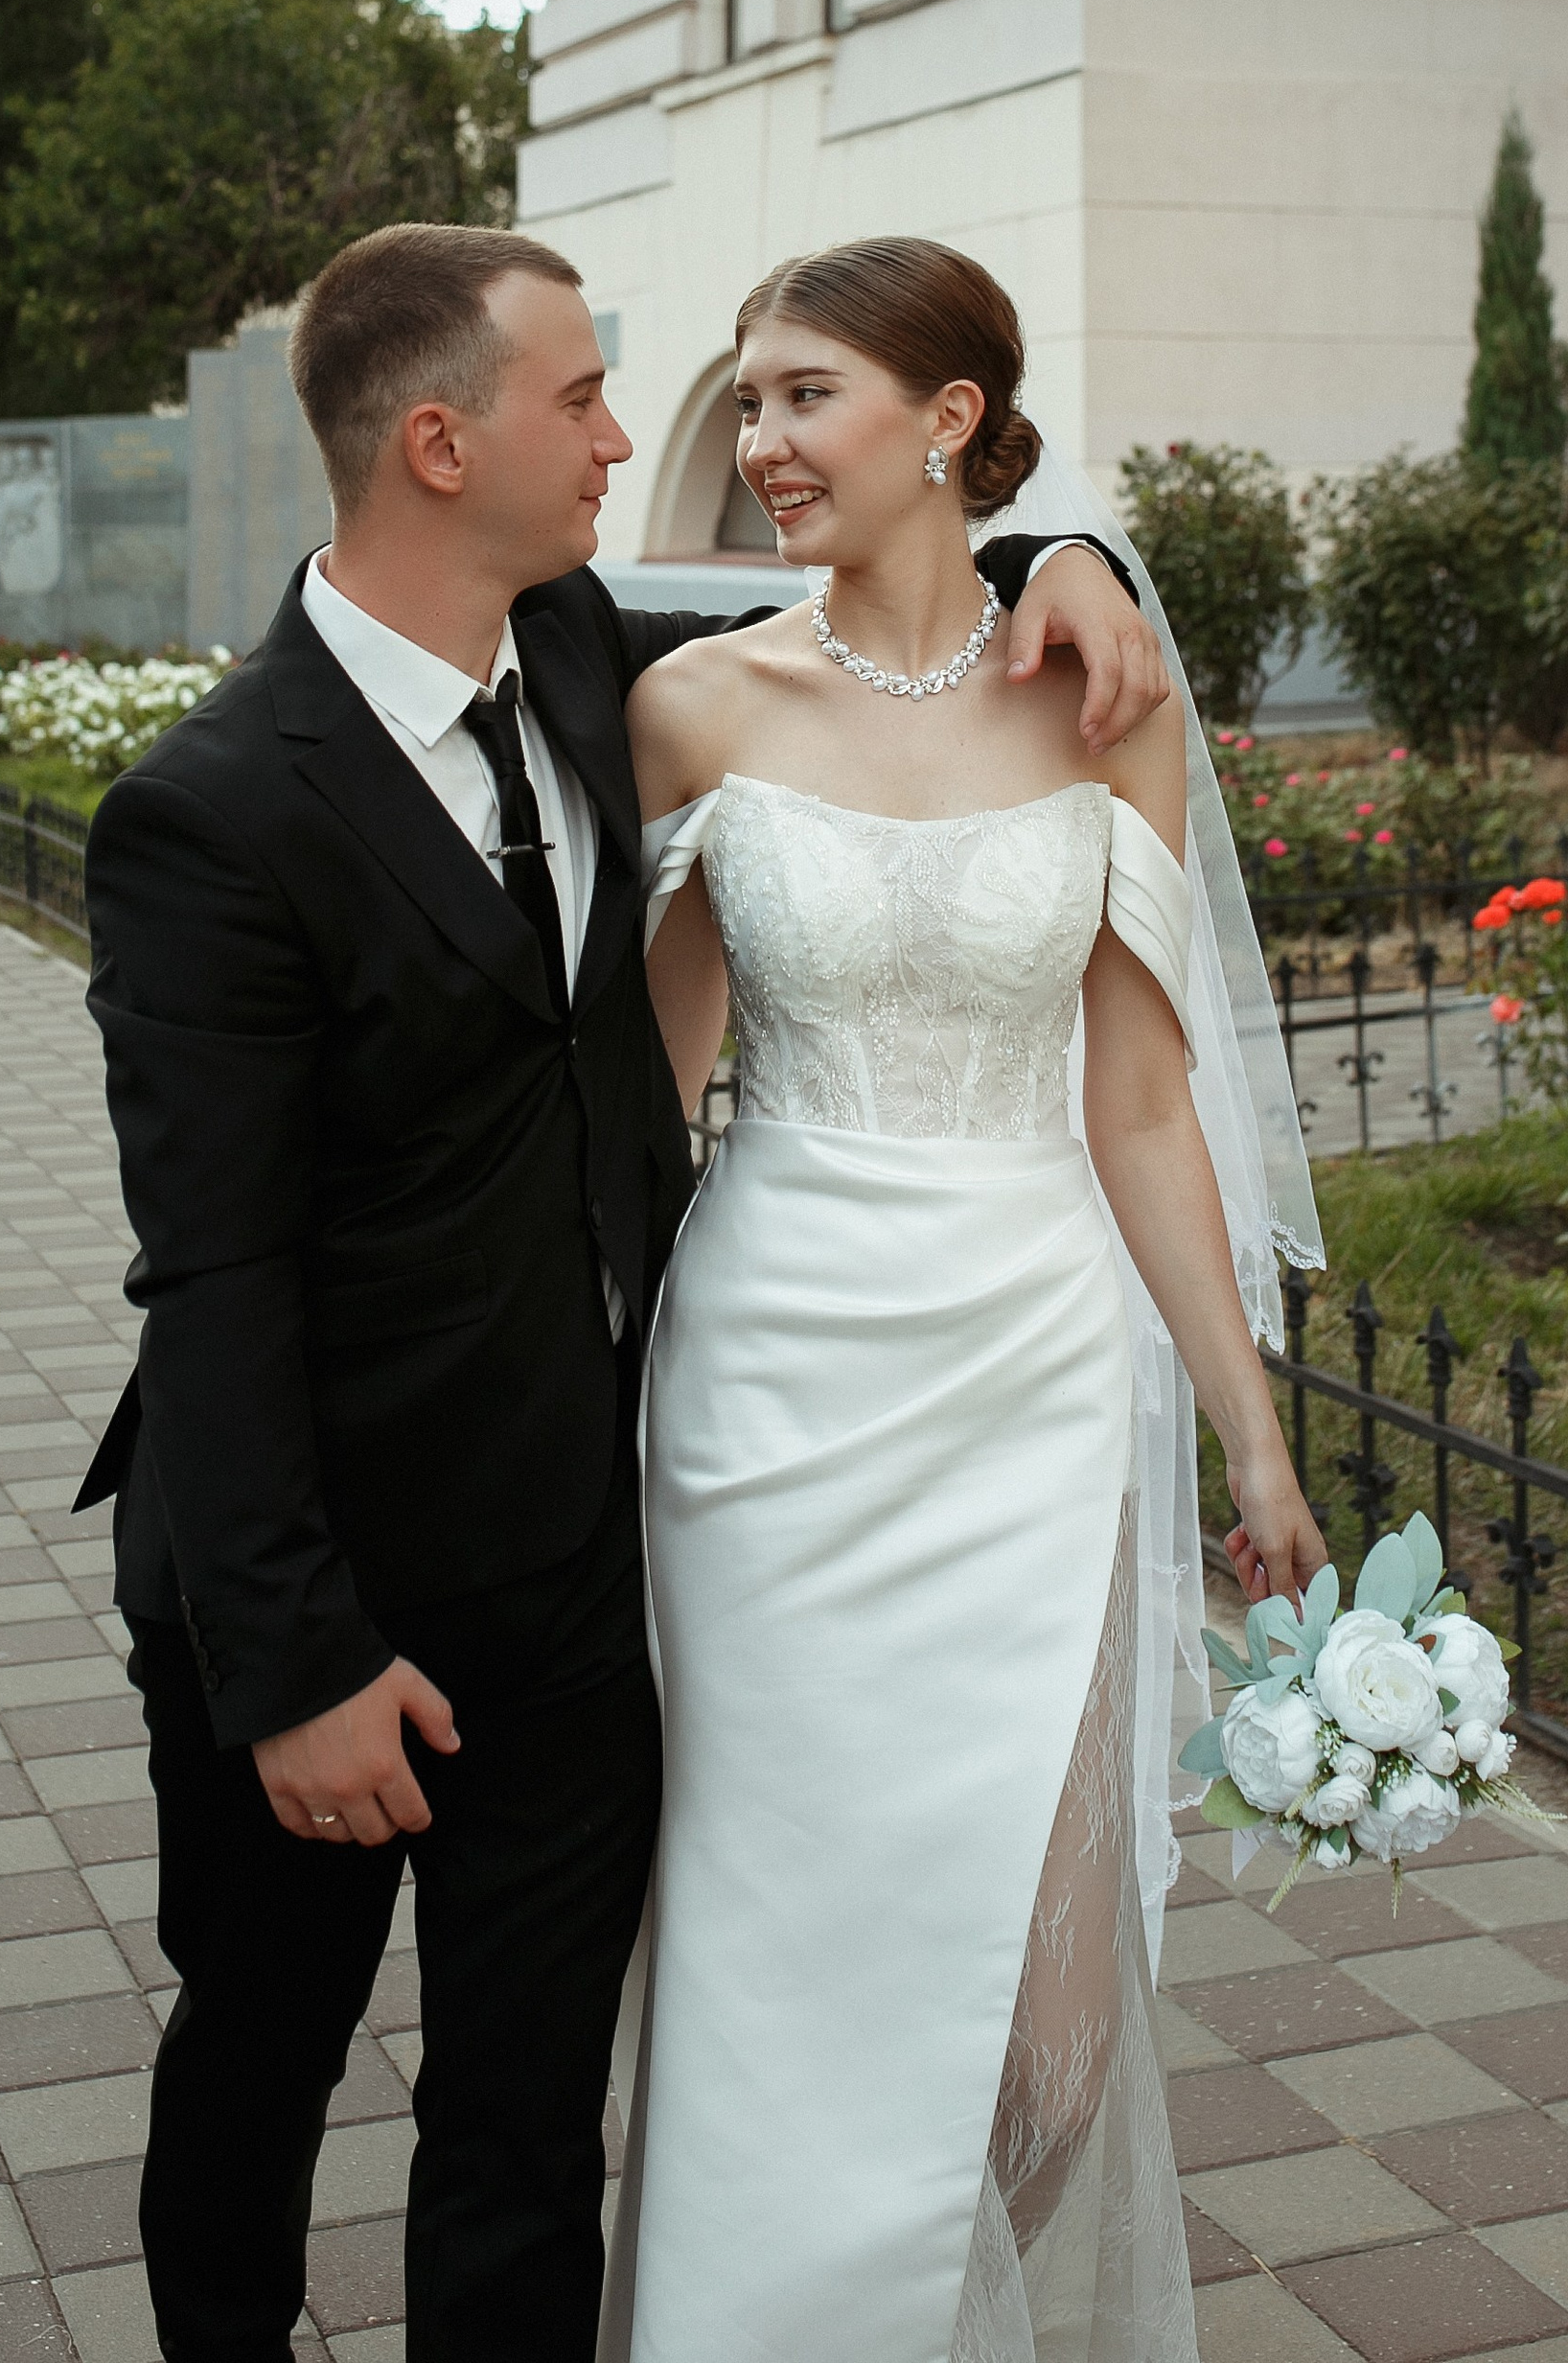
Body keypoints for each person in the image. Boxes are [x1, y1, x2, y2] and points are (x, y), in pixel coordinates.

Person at [73, 221, 1169, 2363]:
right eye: (582, 400)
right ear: (434, 439)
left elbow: (910, 536)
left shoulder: (583, 658)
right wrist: (297, 1660)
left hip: (576, 1563)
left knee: (520, 2123)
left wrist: (1076, 554)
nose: (624, 437)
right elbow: (208, 1278)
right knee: (260, 2068)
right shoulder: (202, 813)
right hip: (303, 1571)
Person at [605, 236, 1330, 2363]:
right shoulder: (691, 704)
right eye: (745, 404)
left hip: (1028, 1374)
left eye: (803, 396)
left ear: (946, 422)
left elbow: (1136, 1104)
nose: (757, 447)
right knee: (778, 1963)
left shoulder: (1101, 701)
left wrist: (1250, 1430)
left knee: (1051, 2030)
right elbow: (640, 1107)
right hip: (768, 1395)